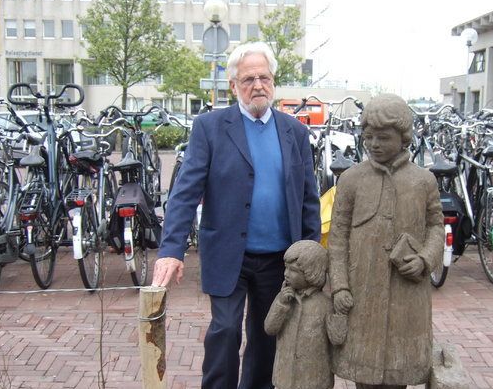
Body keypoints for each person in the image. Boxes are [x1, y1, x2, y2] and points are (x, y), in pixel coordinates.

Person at [152, 41, 321, 389]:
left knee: (267, 336)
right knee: (226, 331)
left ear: (273, 80)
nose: (257, 85)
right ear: (233, 85)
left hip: (280, 258)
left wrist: (312, 253)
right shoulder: (211, 128)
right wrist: (171, 250)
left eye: (264, 77)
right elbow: (185, 194)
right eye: (248, 79)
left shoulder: (296, 133)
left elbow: (308, 198)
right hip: (230, 253)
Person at [327, 93, 444, 389]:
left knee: (398, 372)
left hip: (407, 294)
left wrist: (425, 259)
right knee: (363, 373)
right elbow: (338, 238)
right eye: (368, 137)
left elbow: (436, 227)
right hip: (362, 292)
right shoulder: (351, 180)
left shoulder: (423, 181)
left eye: (383, 137)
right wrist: (340, 285)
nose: (374, 144)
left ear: (404, 138)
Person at [264, 240, 336, 389]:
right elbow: (269, 328)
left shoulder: (326, 304)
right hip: (285, 376)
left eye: (293, 270)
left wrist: (340, 317)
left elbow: (336, 339)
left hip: (315, 378)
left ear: (311, 273)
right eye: (286, 268)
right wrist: (282, 304)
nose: (286, 274)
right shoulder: (284, 299)